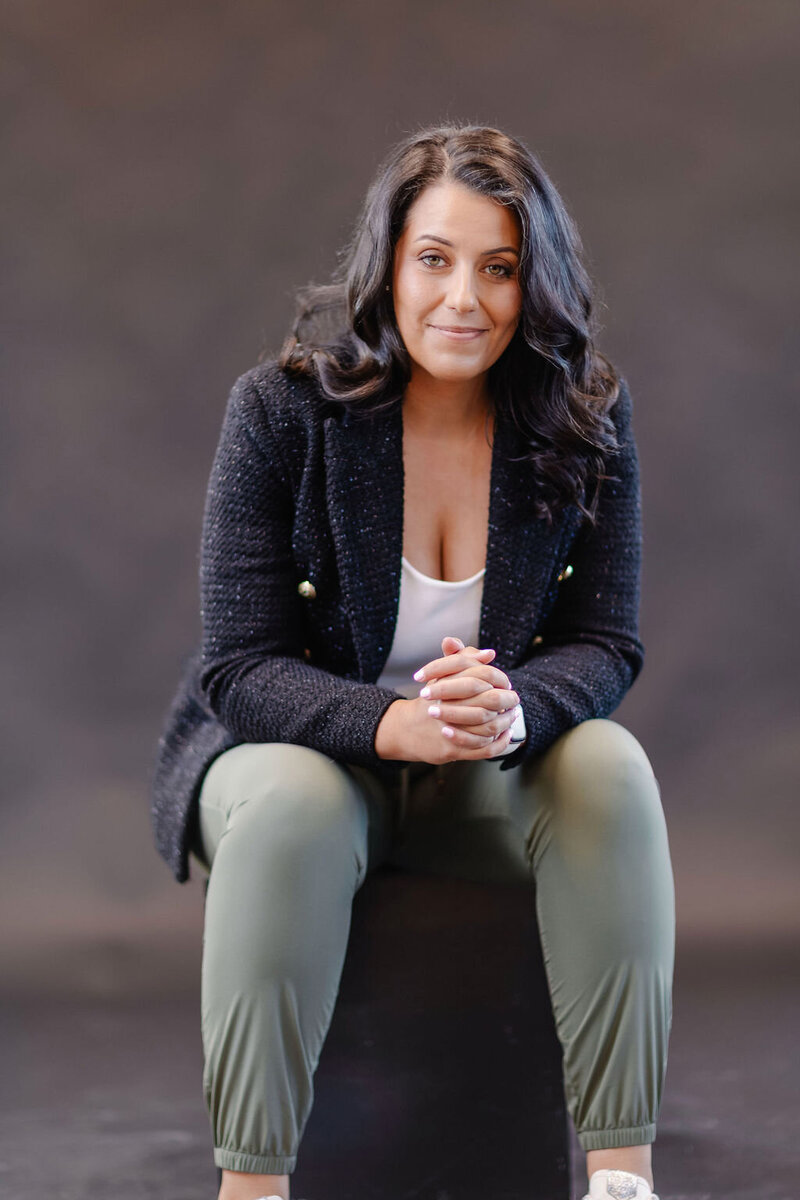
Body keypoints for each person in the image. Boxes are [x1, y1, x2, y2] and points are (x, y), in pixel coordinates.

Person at [151, 123, 675, 1200]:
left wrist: (514, 711)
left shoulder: (583, 416)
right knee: (295, 803)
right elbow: (239, 668)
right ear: (387, 263)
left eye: (500, 268)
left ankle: (622, 1181)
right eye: (434, 259)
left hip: (485, 776)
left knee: (609, 764)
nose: (463, 299)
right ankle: (250, 1189)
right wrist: (390, 725)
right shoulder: (282, 412)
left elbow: (606, 641)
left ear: (535, 284)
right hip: (294, 758)